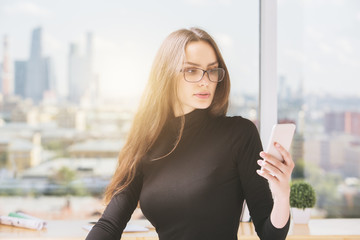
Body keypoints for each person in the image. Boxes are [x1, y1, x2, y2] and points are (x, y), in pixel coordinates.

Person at [85, 27, 293, 240]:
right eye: (191, 71)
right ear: (166, 76)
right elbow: (109, 225)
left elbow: (271, 236)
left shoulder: (239, 134)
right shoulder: (147, 141)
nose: (206, 81)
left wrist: (282, 195)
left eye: (212, 70)